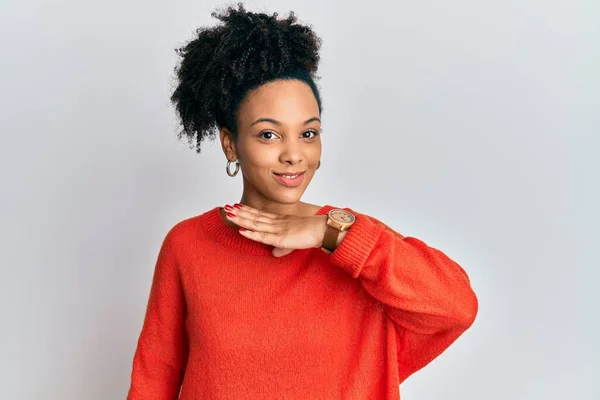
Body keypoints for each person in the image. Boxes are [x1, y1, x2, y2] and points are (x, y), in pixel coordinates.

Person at [127, 3, 478, 399]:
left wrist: (333, 235)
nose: (294, 154)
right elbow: (155, 377)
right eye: (269, 135)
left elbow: (456, 308)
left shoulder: (350, 240)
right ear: (230, 143)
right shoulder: (188, 245)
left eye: (308, 133)